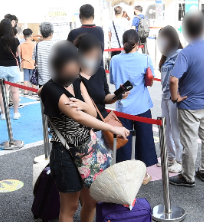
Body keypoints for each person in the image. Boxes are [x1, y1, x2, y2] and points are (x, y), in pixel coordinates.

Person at [38, 41, 129, 222]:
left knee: (91, 200)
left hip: (87, 150)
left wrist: (81, 104)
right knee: (68, 208)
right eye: (69, 65)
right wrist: (112, 127)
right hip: (65, 154)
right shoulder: (50, 89)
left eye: (75, 64)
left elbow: (90, 109)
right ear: (58, 65)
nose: (73, 69)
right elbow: (78, 116)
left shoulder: (77, 81)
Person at [168, 11, 204, 188]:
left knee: (189, 141)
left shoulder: (186, 53)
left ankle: (187, 176)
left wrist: (175, 98)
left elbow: (174, 79)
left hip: (188, 104)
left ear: (186, 31)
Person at [109, 30, 157, 180]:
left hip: (123, 107)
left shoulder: (115, 60)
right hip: (142, 106)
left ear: (123, 43)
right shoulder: (146, 59)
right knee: (144, 140)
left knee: (124, 141)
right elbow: (150, 81)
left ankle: (126, 176)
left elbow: (112, 81)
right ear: (137, 43)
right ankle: (143, 174)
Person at [73, 33, 128, 119]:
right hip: (85, 126)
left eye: (96, 56)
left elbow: (105, 98)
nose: (93, 59)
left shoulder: (100, 71)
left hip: (103, 121)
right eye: (90, 56)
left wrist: (118, 94)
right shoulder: (72, 77)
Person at [157, 25, 184, 174]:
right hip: (164, 97)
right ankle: (170, 157)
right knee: (166, 129)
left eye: (163, 38)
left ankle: (180, 161)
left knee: (176, 130)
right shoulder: (166, 57)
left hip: (174, 99)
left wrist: (178, 95)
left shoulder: (181, 54)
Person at [0, 18, 22, 120]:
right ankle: (15, 113)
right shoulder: (15, 40)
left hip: (1, 67)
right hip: (13, 67)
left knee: (2, 92)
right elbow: (18, 54)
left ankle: (3, 113)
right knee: (15, 91)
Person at [33, 22, 57, 87]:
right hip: (55, 80)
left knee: (43, 97)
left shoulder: (37, 45)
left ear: (41, 34)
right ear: (51, 33)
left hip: (42, 81)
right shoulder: (57, 45)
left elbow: (35, 62)